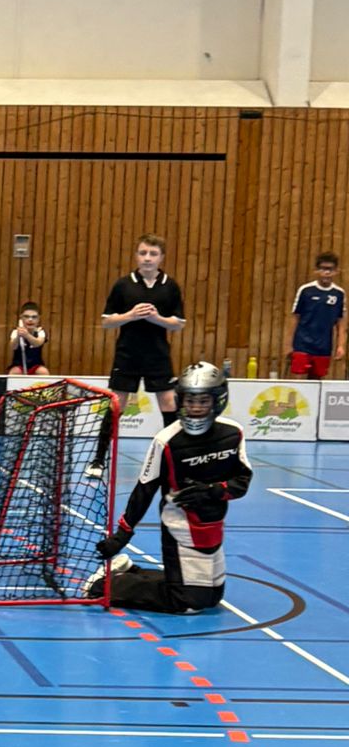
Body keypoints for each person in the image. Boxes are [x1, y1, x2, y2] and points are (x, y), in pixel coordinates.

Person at [85, 363, 251, 614]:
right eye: (190, 401)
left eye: (203, 401)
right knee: (188, 601)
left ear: (217, 401)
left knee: (212, 597)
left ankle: (130, 572)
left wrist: (214, 491)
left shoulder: (233, 433)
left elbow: (243, 481)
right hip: (179, 527)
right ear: (181, 400)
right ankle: (103, 585)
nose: (196, 408)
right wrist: (122, 535)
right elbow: (144, 490)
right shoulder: (166, 440)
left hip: (213, 524)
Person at [86, 237, 186, 480]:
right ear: (136, 255)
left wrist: (157, 319)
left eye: (153, 253)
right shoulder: (123, 285)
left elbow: (178, 324)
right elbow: (106, 322)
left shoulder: (170, 286)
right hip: (127, 354)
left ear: (161, 257)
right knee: (116, 405)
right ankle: (98, 460)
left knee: (169, 404)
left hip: (158, 356)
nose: (147, 258)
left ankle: (173, 462)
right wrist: (130, 315)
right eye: (143, 253)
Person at [287, 252, 345, 379]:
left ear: (336, 271)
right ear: (316, 271)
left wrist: (340, 345)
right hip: (302, 344)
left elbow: (340, 322)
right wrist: (289, 344)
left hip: (323, 346)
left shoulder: (339, 293)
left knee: (317, 381)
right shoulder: (306, 290)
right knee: (298, 379)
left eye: (330, 269)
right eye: (323, 269)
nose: (326, 273)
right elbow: (295, 317)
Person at [8, 302, 49, 375]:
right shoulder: (15, 332)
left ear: (38, 319)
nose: (30, 319)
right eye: (26, 317)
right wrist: (18, 336)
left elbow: (38, 343)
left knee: (43, 372)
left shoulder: (40, 331)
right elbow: (13, 346)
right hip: (18, 365)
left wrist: (27, 335)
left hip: (36, 365)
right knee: (15, 372)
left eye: (34, 317)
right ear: (21, 318)